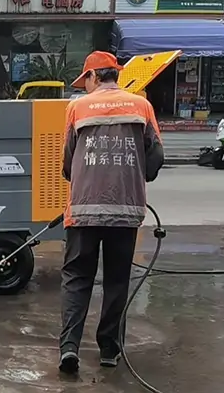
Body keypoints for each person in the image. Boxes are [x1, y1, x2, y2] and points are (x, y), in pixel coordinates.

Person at [58, 51, 165, 375]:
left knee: (77, 279)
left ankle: (69, 348)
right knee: (117, 281)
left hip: (83, 212)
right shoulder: (141, 106)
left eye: (86, 80)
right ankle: (108, 349)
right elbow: (156, 156)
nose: (85, 86)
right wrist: (137, 175)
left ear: (93, 76)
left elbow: (67, 163)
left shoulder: (77, 107)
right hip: (125, 210)